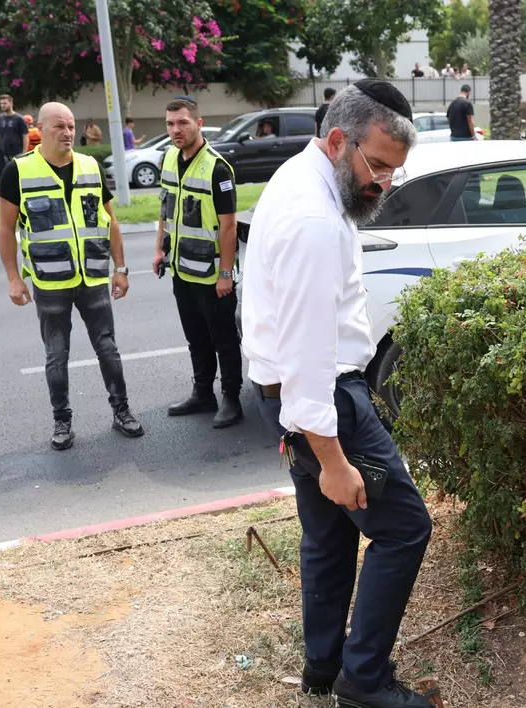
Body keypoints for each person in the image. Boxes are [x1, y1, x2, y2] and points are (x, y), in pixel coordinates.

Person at [243, 80, 433, 708]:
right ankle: (364, 681)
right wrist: (329, 456)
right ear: (336, 140)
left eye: (393, 172)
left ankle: (323, 668)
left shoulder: (302, 179)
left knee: (328, 537)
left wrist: (294, 426)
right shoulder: (314, 220)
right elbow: (306, 356)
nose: (382, 182)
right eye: (376, 165)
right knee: (404, 528)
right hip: (326, 399)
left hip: (297, 398)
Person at [0, 102, 144, 450]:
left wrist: (120, 269)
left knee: (108, 349)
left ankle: (121, 410)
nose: (68, 133)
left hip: (92, 279)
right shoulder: (17, 171)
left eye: (71, 126)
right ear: (41, 131)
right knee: (56, 356)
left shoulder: (90, 166)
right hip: (50, 284)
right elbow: (5, 229)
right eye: (60, 127)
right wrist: (13, 278)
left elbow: (111, 221)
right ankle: (62, 421)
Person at [153, 97, 243, 428]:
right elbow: (165, 211)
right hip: (181, 270)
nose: (175, 130)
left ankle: (231, 399)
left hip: (211, 275)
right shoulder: (168, 160)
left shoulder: (217, 168)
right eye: (170, 124)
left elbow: (229, 225)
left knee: (224, 340)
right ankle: (202, 393)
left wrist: (225, 274)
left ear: (198, 123)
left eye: (183, 123)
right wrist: (159, 249)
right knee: (196, 337)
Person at [0, 93, 30, 158]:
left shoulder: (19, 119)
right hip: (3, 154)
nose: (2, 105)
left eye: (5, 103)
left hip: (17, 153)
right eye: (1, 103)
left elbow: (25, 137)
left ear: (11, 103)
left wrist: (24, 154)